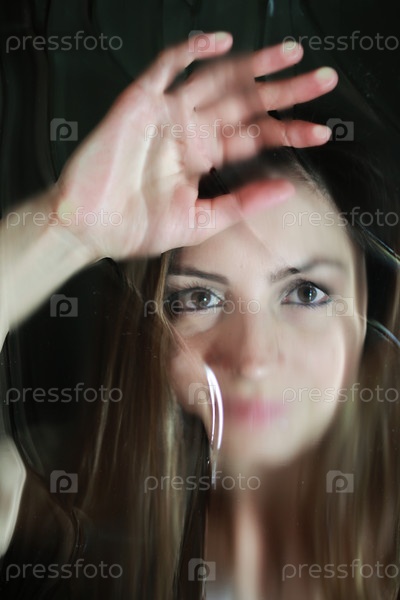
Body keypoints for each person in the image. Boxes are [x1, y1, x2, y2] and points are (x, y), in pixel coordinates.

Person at [2, 30, 397, 599]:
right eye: (199, 300)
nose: (253, 358)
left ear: (368, 313)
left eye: (307, 293)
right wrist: (65, 228)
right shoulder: (63, 506)